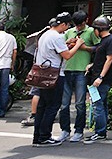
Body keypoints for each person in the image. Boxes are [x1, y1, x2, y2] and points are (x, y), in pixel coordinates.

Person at [32, 13, 85, 147]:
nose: (67, 29)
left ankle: (37, 137)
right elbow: (66, 56)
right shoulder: (57, 37)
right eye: (67, 26)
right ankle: (45, 137)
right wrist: (78, 44)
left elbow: (55, 51)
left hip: (42, 74)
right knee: (53, 106)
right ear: (63, 25)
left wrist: (67, 44)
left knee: (42, 106)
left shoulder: (45, 34)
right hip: (54, 75)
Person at [57, 11, 99, 143]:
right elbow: (61, 48)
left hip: (82, 70)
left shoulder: (91, 31)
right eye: (77, 25)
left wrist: (84, 47)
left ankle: (79, 130)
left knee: (80, 103)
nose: (78, 28)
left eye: (80, 25)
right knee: (64, 104)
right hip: (67, 69)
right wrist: (70, 44)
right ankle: (65, 130)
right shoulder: (69, 32)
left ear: (85, 21)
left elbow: (98, 48)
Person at [84, 16, 112, 143]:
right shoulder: (103, 41)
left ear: (98, 29)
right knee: (101, 105)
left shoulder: (110, 40)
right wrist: (92, 65)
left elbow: (109, 59)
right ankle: (101, 131)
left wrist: (100, 77)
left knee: (98, 105)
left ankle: (100, 132)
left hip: (101, 79)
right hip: (97, 77)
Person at [21, 20, 53, 127]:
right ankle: (35, 115)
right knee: (39, 92)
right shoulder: (48, 42)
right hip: (47, 70)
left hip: (37, 69)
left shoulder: (39, 43)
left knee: (37, 92)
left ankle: (35, 114)